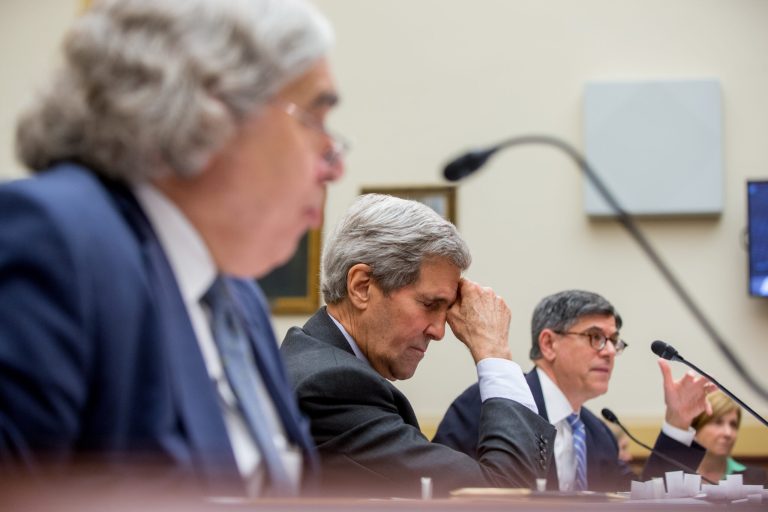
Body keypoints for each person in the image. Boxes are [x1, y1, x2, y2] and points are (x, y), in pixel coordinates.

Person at [0, 0, 345, 498]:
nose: (335, 165)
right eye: (314, 118)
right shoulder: (55, 242)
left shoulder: (238, 297)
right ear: (208, 110)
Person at [280, 194, 556, 498]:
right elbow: (506, 495)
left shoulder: (315, 359)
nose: (439, 331)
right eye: (429, 304)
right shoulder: (331, 386)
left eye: (446, 309)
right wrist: (494, 351)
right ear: (361, 287)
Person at [434, 290, 715, 492]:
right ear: (548, 344)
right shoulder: (491, 404)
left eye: (614, 341)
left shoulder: (598, 434)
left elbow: (641, 503)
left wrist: (677, 423)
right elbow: (436, 489)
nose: (609, 351)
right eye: (596, 337)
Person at [692, 391, 767, 485]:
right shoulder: (677, 472)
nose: (728, 433)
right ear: (695, 428)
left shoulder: (756, 478)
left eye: (733, 424)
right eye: (718, 423)